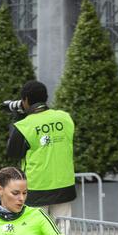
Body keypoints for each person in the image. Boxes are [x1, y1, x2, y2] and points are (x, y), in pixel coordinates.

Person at [6, 80, 76, 218]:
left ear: (25, 100)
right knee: (62, 233)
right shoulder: (65, 118)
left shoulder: (24, 125)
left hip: (37, 187)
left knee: (36, 233)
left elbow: (13, 152)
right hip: (65, 184)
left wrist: (17, 117)